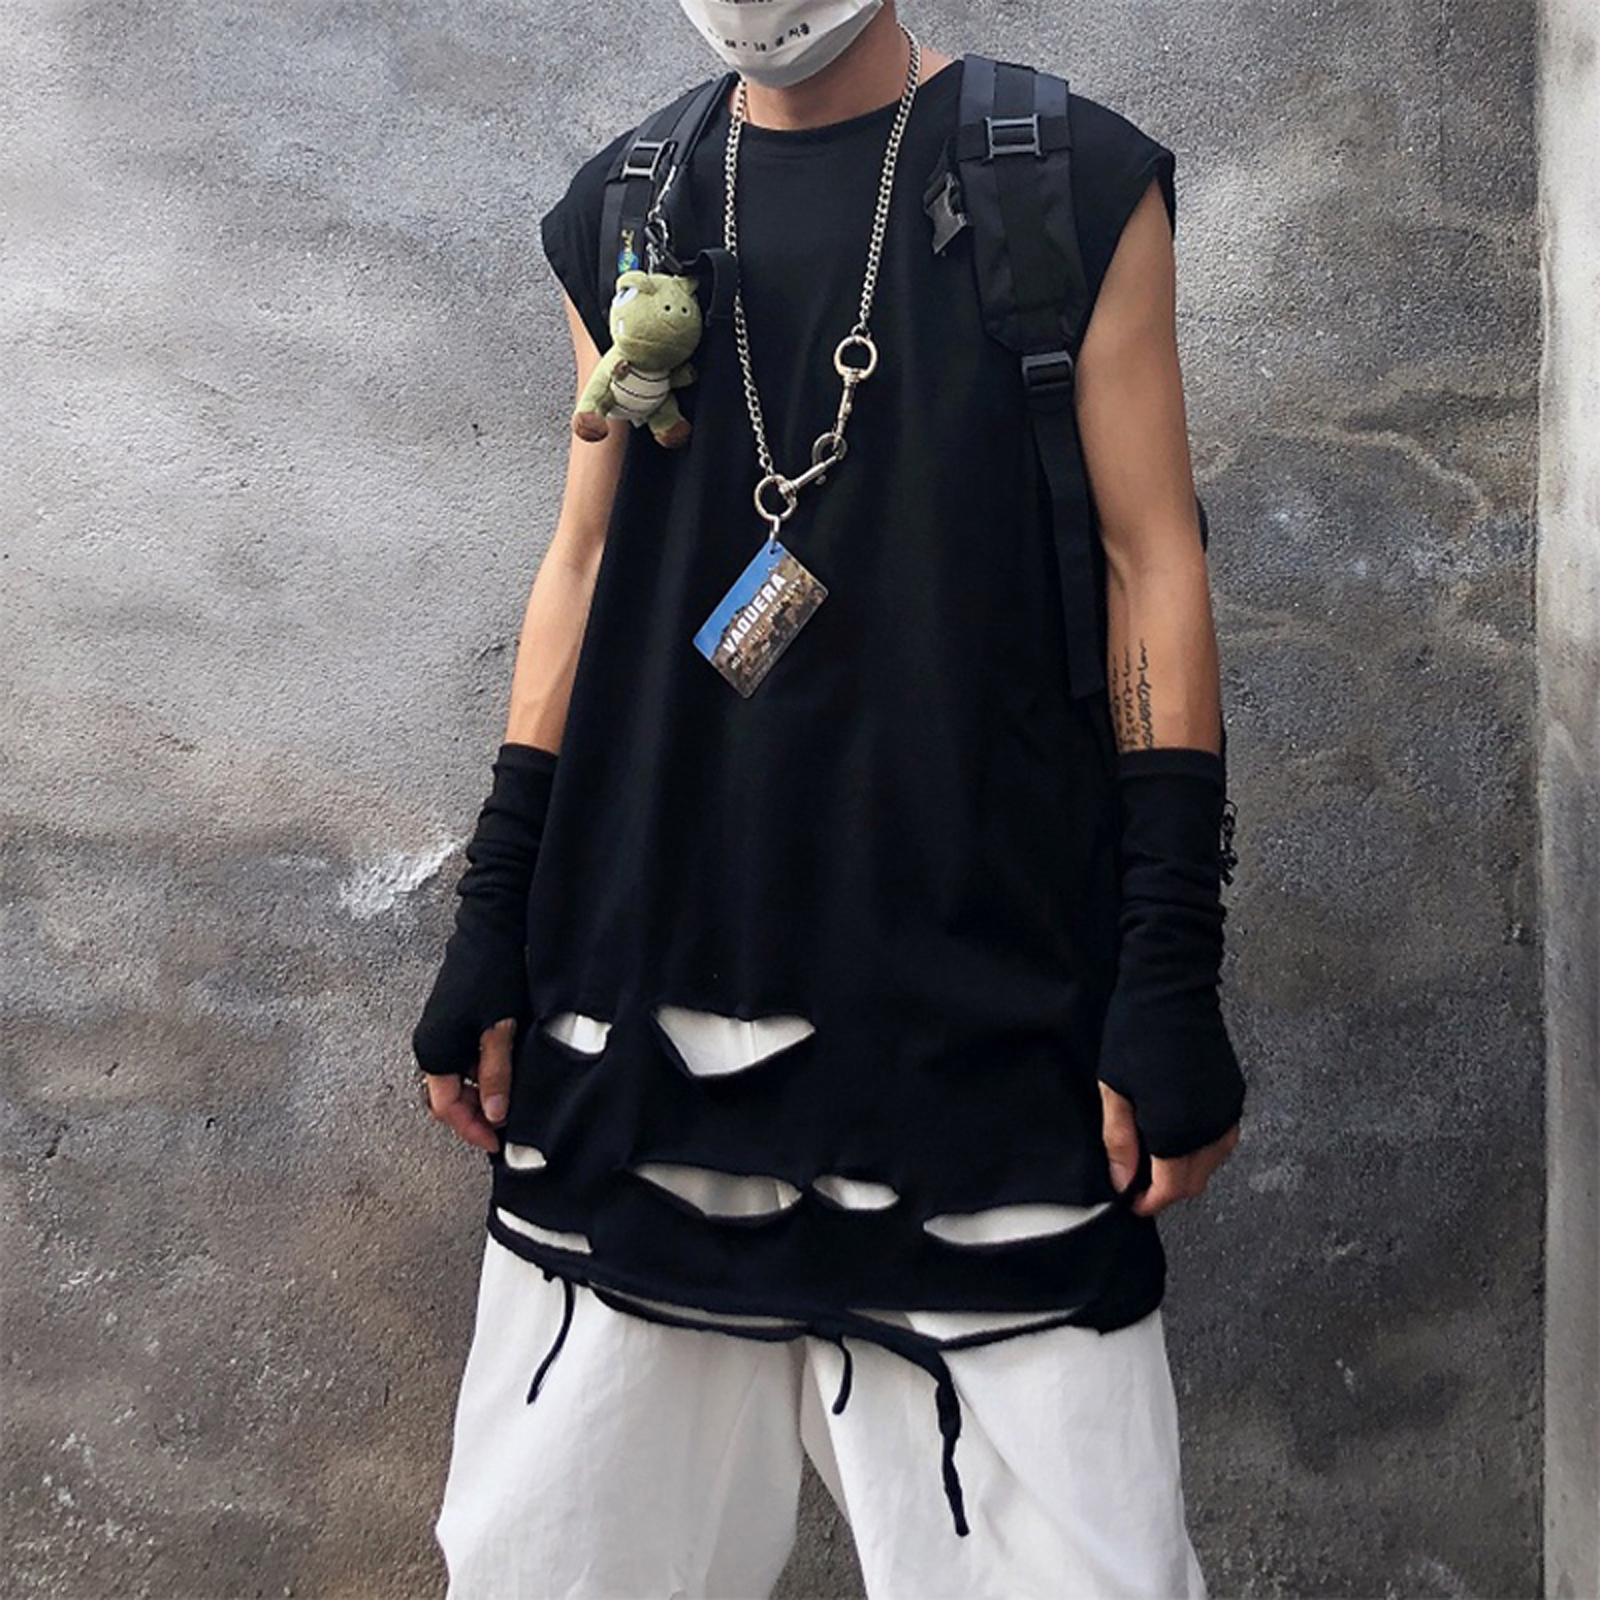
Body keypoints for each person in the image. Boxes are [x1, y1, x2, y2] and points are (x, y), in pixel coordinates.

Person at [413, 1, 1245, 1594]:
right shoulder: (629, 201)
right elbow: (582, 563)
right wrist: (492, 914)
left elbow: (1155, 561)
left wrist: (1171, 963)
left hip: (980, 1040)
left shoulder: (1059, 179)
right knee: (554, 1562)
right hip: (637, 1029)